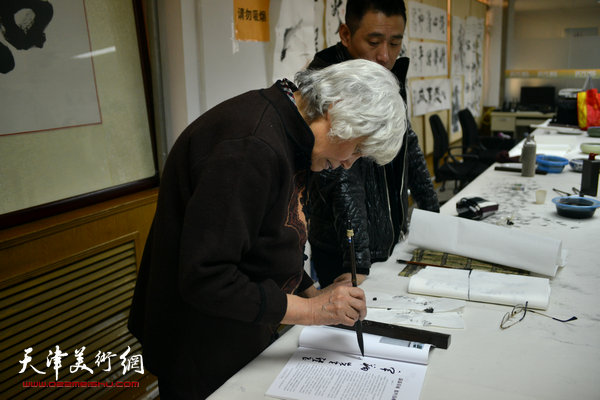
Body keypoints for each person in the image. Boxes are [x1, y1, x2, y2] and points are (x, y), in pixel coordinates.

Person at [127, 59, 407, 399]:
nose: (350, 162)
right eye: (358, 148)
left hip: (239, 330)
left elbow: (268, 236)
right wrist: (312, 311)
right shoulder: (250, 146)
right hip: (199, 343)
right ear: (337, 111)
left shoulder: (292, 134)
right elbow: (206, 277)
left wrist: (309, 291)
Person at [307, 0, 440, 288]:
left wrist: (435, 221)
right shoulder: (328, 85)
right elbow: (343, 181)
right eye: (374, 41)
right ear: (345, 35)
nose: (384, 55)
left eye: (395, 43)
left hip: (386, 235)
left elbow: (409, 146)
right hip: (343, 250)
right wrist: (358, 264)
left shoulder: (383, 78)